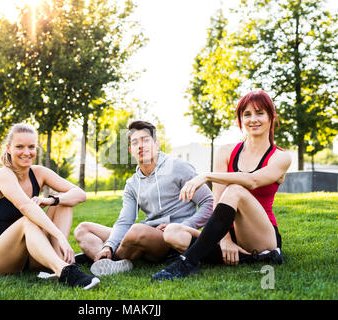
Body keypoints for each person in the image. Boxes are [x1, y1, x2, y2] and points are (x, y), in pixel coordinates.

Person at [152, 90, 292, 281]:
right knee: (172, 233)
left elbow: (253, 181)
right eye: (247, 114)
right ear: (240, 119)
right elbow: (218, 199)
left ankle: (188, 262)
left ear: (271, 117)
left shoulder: (281, 157)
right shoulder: (225, 152)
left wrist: (206, 175)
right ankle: (251, 259)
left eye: (260, 113)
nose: (253, 119)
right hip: (225, 231)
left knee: (235, 188)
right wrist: (225, 239)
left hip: (261, 235)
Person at [74, 120, 214, 276]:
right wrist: (109, 245)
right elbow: (125, 220)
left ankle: (105, 258)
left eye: (146, 140)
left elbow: (208, 202)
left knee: (136, 230)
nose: (140, 146)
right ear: (130, 150)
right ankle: (105, 258)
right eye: (135, 142)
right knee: (83, 229)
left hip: (170, 239)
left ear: (156, 144)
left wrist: (185, 226)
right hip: (147, 233)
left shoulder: (178, 167)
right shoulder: (132, 183)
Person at [0, 123, 99, 290]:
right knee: (27, 221)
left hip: (29, 255)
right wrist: (60, 236)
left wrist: (52, 200)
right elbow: (25, 206)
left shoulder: (39, 173)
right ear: (8, 148)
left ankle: (56, 259)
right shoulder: (3, 174)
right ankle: (65, 271)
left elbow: (80, 194)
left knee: (63, 201)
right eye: (19, 147)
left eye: (31, 147)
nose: (26, 152)